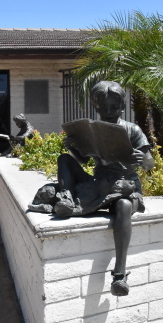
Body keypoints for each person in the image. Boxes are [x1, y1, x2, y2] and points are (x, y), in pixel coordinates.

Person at [55, 81, 154, 296]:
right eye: (103, 108)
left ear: (122, 107)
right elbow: (83, 159)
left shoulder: (132, 129)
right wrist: (73, 148)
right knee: (64, 159)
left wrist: (143, 159)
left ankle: (119, 274)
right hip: (100, 184)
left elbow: (149, 163)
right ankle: (67, 198)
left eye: (114, 107)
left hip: (125, 185)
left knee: (124, 206)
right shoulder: (95, 130)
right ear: (96, 107)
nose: (109, 112)